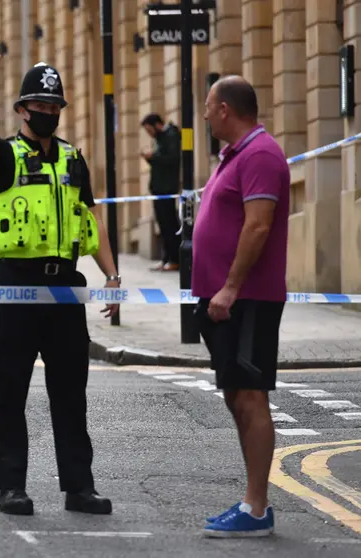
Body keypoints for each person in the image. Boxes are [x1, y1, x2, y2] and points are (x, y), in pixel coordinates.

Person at [0, 40, 120, 516]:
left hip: (65, 287)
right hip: (15, 284)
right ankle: (12, 487)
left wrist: (112, 275)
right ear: (22, 109)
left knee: (71, 394)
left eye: (54, 105)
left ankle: (79, 487)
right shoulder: (4, 157)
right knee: (10, 391)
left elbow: (91, 219)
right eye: (40, 105)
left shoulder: (73, 160)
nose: (48, 111)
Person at [194, 76, 289, 537]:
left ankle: (256, 509)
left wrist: (230, 287)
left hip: (248, 299)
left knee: (251, 397)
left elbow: (257, 227)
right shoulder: (235, 156)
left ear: (227, 109)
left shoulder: (261, 155)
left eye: (210, 106)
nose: (206, 113)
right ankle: (253, 502)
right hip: (226, 301)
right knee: (237, 396)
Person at [140, 113, 181, 271]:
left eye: (149, 129)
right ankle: (166, 259)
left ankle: (174, 259)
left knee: (169, 224)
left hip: (167, 188)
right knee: (163, 224)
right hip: (159, 188)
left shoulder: (171, 136)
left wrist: (153, 156)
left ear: (157, 125)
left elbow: (171, 159)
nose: (149, 134)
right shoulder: (160, 138)